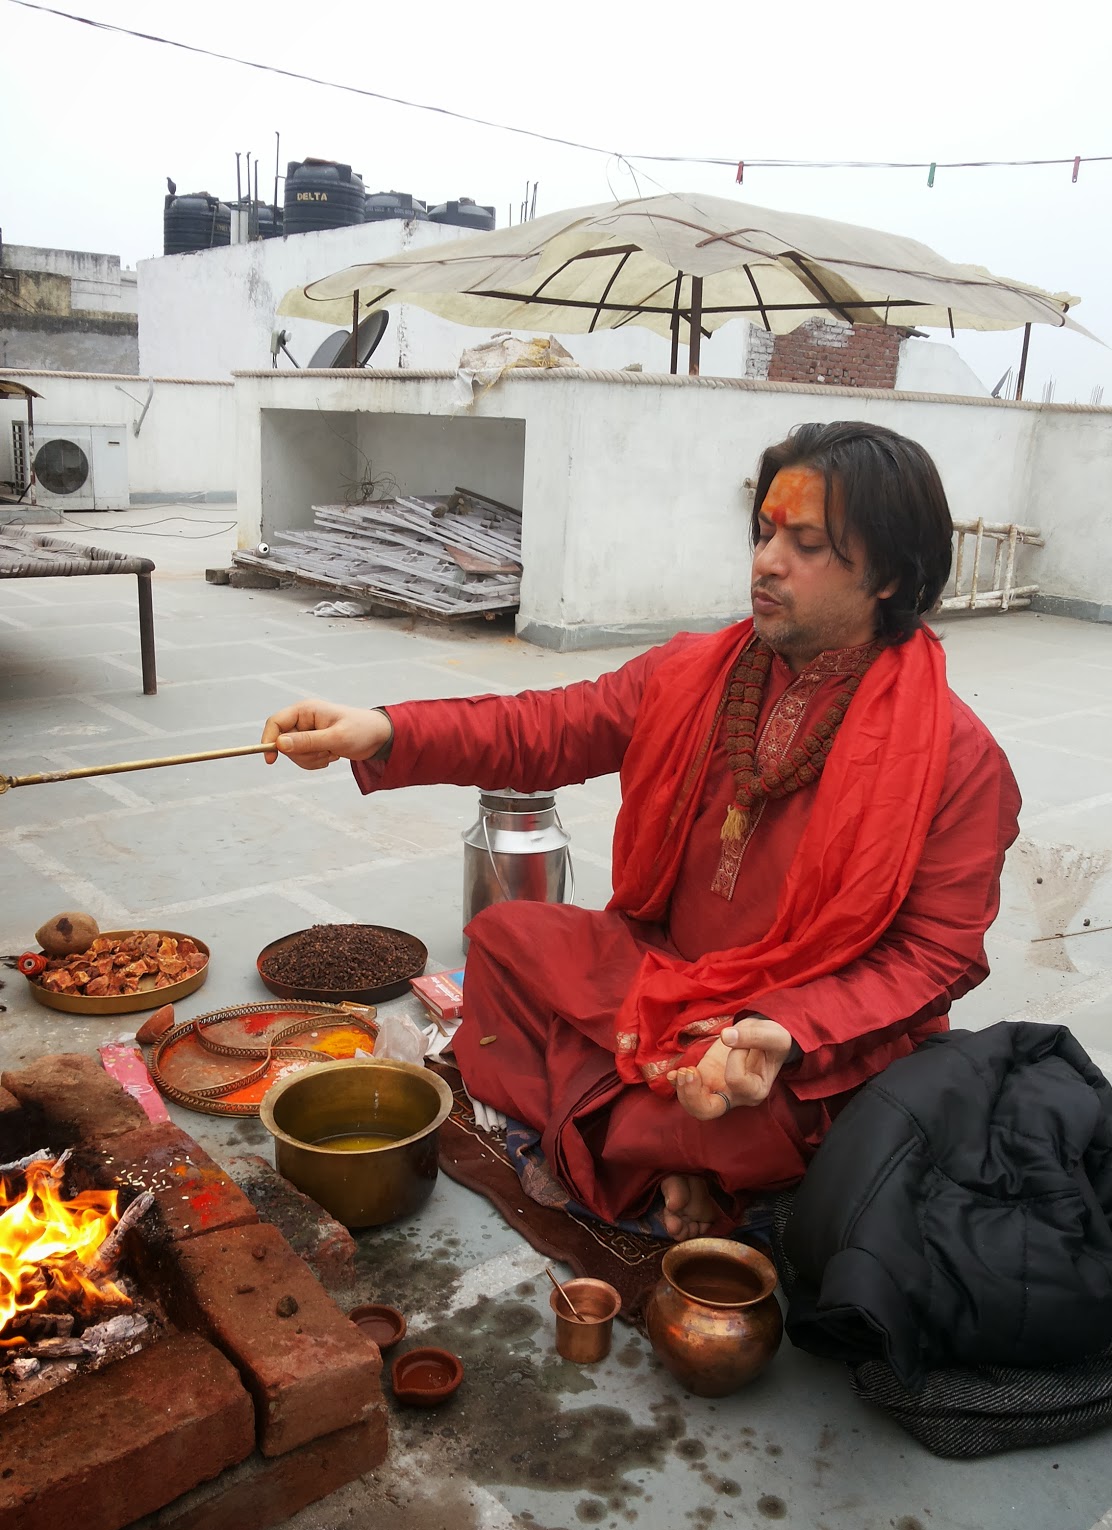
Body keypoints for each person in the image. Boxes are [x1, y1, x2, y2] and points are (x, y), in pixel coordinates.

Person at [262, 421, 1020, 1241]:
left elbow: (935, 955)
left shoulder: (955, 756)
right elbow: (549, 727)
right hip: (662, 970)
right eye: (764, 533)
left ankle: (643, 1141)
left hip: (788, 1023)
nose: (766, 562)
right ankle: (660, 1156)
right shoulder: (695, 672)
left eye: (806, 544)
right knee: (507, 941)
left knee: (753, 1110)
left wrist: (790, 1033)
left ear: (891, 575)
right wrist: (384, 730)